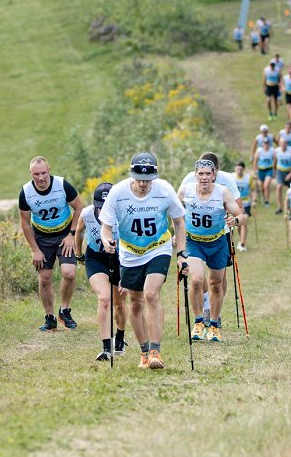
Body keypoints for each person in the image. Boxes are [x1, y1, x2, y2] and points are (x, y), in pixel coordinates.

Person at [99, 152, 187, 369]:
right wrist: (108, 240)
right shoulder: (118, 193)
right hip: (130, 253)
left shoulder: (164, 189)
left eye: (147, 180)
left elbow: (179, 221)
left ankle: (156, 351)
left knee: (151, 294)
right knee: (136, 303)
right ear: (132, 174)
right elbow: (106, 228)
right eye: (139, 178)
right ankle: (144, 352)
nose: (142, 184)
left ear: (154, 177)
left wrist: (182, 253)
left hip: (159, 248)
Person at [181, 158, 246, 343]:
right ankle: (199, 321)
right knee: (196, 279)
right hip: (194, 242)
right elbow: (174, 211)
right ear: (195, 175)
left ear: (214, 175)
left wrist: (237, 220)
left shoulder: (222, 192)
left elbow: (241, 214)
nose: (204, 177)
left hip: (217, 242)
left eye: (208, 174)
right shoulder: (186, 190)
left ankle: (215, 325)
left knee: (216, 284)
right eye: (200, 174)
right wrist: (176, 232)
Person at [18, 157, 84, 332]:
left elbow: (79, 207)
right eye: (36, 174)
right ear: (30, 174)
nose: (40, 178)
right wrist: (35, 250)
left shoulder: (62, 185)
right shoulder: (26, 192)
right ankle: (50, 317)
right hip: (42, 237)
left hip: (64, 235)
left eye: (43, 173)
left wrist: (71, 234)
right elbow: (24, 223)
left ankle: (64, 310)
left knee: (69, 273)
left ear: (49, 170)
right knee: (44, 278)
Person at [79, 182, 127, 361]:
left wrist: (127, 273)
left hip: (121, 259)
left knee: (120, 304)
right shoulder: (86, 213)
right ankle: (106, 347)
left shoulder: (123, 216)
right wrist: (78, 253)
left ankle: (120, 336)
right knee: (104, 298)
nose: (102, 211)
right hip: (96, 257)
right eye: (100, 207)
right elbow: (79, 231)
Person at [231, 161, 257, 251]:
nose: (239, 171)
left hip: (245, 203)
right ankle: (240, 241)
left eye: (241, 170)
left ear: (243, 170)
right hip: (234, 204)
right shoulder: (231, 177)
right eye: (237, 169)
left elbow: (253, 190)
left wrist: (254, 201)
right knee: (239, 224)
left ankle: (242, 244)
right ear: (235, 169)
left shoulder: (248, 178)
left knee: (244, 222)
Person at [273, 137, 291, 213]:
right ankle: (279, 207)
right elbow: (275, 161)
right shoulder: (276, 151)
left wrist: (290, 174)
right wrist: (274, 171)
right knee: (279, 187)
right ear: (279, 144)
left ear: (286, 144)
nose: (283, 145)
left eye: (284, 143)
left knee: (290, 189)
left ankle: (289, 205)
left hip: (289, 171)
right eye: (281, 143)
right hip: (280, 171)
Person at [253, 136, 277, 207]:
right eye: (264, 143)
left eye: (267, 143)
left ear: (269, 143)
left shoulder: (272, 150)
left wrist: (274, 171)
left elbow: (275, 160)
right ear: (262, 144)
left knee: (266, 186)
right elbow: (255, 161)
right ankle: (264, 199)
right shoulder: (259, 150)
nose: (266, 144)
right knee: (262, 187)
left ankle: (267, 201)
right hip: (261, 170)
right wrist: (255, 171)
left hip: (269, 169)